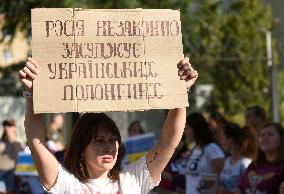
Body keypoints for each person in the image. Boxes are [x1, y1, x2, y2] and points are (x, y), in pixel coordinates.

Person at [18, 57, 198, 194]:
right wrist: (32, 93)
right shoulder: (66, 183)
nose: (108, 147)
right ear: (82, 148)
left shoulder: (133, 179)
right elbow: (36, 142)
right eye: (99, 140)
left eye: (113, 140)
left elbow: (169, 141)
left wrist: (181, 94)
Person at [182, 112, 225, 194]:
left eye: (187, 128)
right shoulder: (194, 149)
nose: (185, 132)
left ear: (196, 128)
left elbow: (220, 179)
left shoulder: (212, 149)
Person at [237, 123, 284, 194]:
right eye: (262, 135)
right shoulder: (254, 165)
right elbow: (240, 190)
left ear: (281, 139)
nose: (265, 137)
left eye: (270, 134)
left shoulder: (282, 166)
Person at [217, 123, 257, 194]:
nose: (221, 142)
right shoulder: (227, 161)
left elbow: (251, 190)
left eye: (222, 138)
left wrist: (226, 192)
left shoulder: (245, 163)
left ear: (230, 140)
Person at [0, 119, 23, 194]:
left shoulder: (17, 143)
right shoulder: (1, 143)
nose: (7, 128)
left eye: (10, 126)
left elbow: (19, 156)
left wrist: (13, 140)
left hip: (13, 173)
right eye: (6, 126)